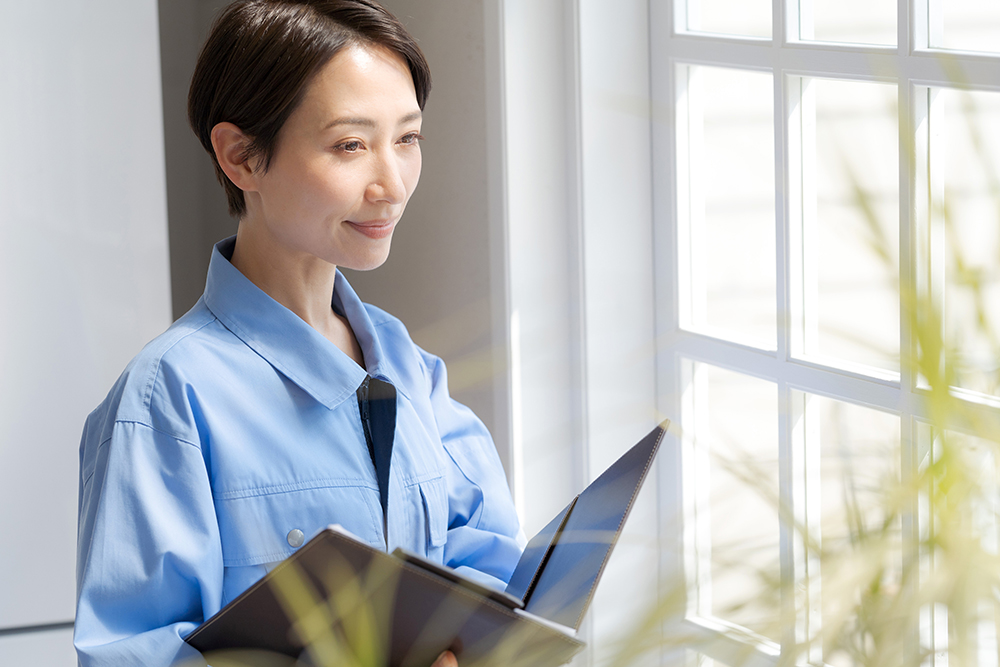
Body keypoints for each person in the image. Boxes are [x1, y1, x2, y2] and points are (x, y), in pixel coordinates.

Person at [74, 1, 524, 665]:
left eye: (407, 138)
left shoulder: (405, 361)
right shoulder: (165, 400)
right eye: (350, 145)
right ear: (241, 157)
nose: (391, 185)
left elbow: (487, 553)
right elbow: (127, 653)